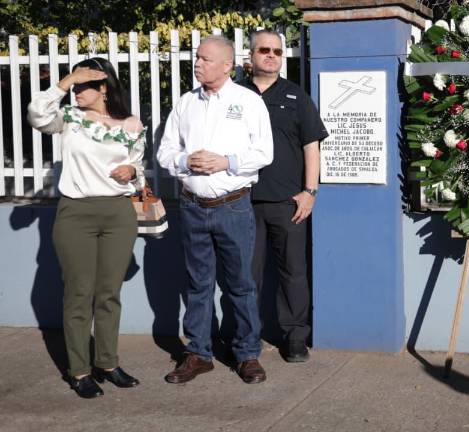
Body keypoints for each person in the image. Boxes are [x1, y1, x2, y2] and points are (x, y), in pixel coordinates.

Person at [157, 35, 273, 384]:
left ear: (227, 65)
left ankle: (247, 354)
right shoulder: (185, 104)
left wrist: (226, 161)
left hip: (233, 206)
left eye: (205, 59)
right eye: (197, 57)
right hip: (192, 207)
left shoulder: (248, 102)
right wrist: (184, 160)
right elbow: (164, 153)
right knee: (198, 284)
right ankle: (198, 353)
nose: (197, 63)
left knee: (240, 284)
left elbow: (264, 153)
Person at [27, 57, 145, 398]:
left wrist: (132, 173)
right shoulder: (69, 119)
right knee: (79, 294)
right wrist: (63, 83)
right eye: (74, 87)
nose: (76, 92)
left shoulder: (131, 124)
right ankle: (79, 371)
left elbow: (138, 169)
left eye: (83, 86)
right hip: (75, 214)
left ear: (104, 87)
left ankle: (107, 363)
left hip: (118, 215)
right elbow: (36, 114)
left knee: (109, 294)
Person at [238, 30, 328, 362]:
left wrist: (310, 192)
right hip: (241, 202)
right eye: (264, 49)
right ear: (250, 56)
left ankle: (294, 338)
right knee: (246, 275)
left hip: (288, 202)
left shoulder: (295, 96)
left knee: (293, 273)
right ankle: (247, 338)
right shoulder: (234, 95)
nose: (272, 55)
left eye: (277, 50)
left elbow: (311, 147)